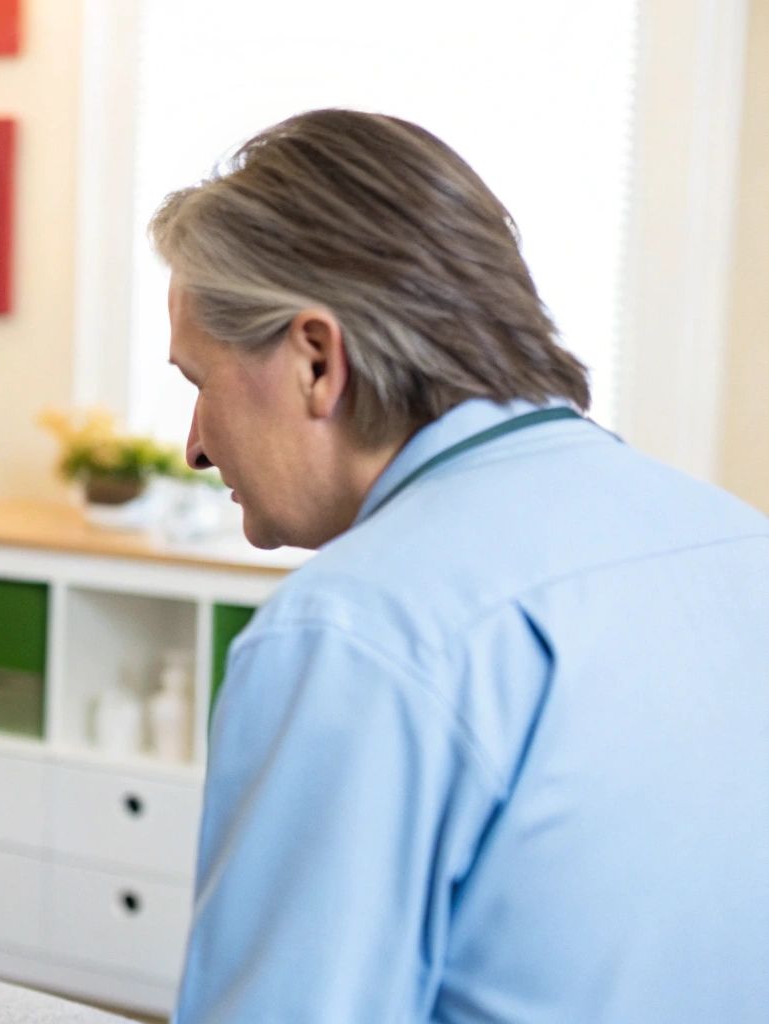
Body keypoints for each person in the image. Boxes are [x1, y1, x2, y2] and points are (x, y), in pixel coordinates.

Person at [152, 109, 769, 1021]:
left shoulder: (354, 630)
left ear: (318, 361)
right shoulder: (735, 544)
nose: (195, 446)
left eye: (199, 383)